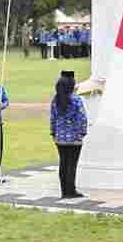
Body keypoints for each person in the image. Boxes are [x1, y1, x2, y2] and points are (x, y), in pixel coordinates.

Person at [50, 71, 88, 199]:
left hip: (60, 138)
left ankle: (64, 191)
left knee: (63, 163)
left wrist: (53, 133)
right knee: (72, 164)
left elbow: (53, 118)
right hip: (74, 138)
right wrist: (82, 133)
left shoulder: (55, 100)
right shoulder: (76, 100)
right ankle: (71, 191)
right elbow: (82, 118)